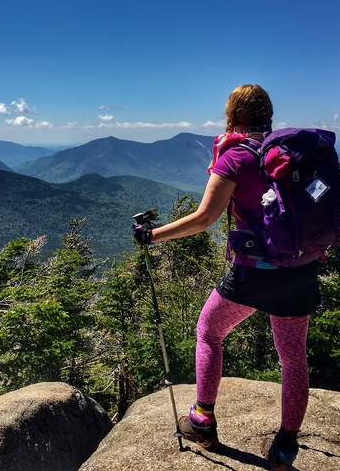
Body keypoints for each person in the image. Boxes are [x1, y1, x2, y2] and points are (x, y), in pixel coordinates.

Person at [133, 84, 320, 470]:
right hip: (300, 270)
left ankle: (202, 420)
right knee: (293, 359)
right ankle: (285, 447)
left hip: (254, 274)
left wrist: (152, 236)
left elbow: (204, 219)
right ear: (268, 115)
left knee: (209, 331)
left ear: (231, 116)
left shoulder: (237, 156)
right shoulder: (291, 152)